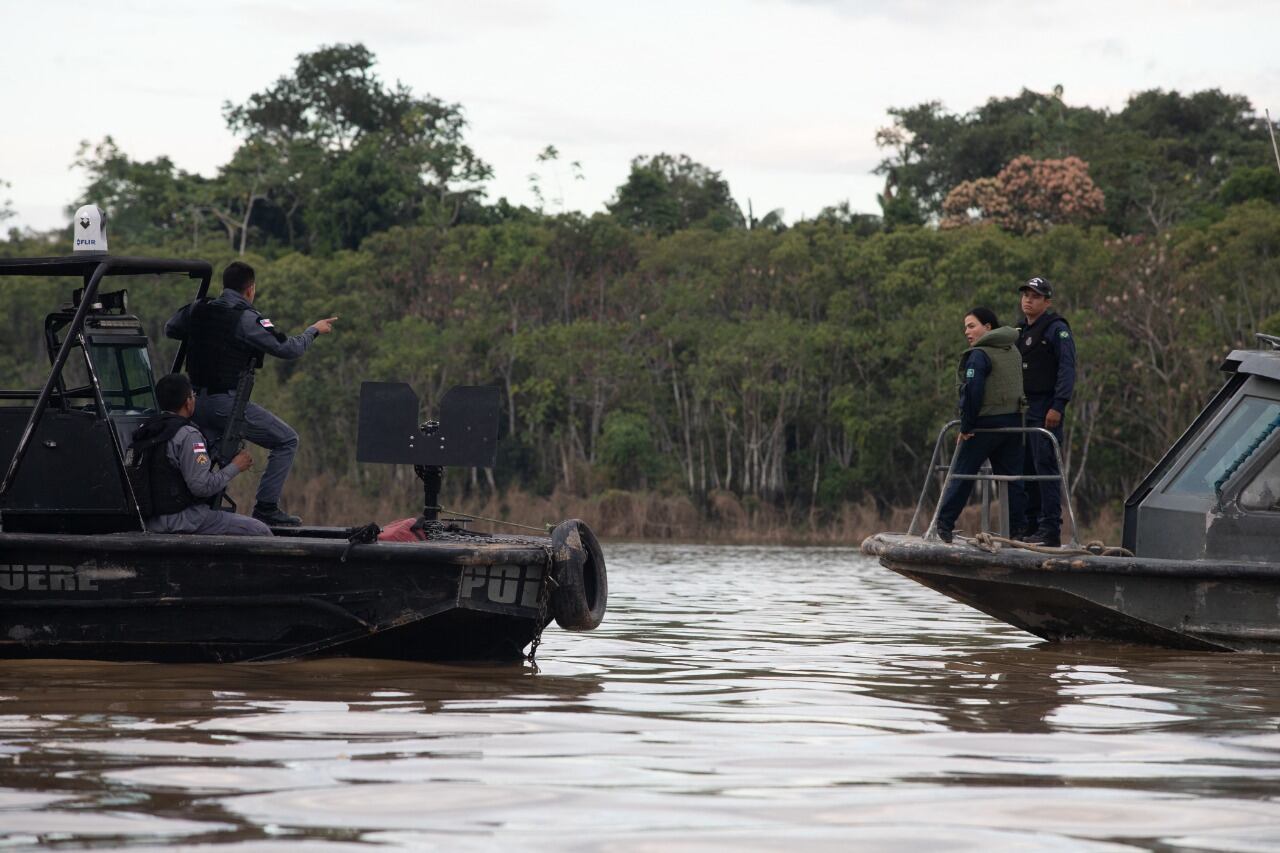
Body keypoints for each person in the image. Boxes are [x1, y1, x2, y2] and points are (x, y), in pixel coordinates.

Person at [165, 261, 336, 526]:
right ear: (250, 289)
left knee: (205, 460)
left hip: (194, 404)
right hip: (226, 405)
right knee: (287, 440)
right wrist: (313, 331)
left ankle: (184, 508)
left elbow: (171, 328)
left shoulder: (198, 308)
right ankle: (266, 508)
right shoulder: (246, 318)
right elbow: (288, 349)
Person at [129, 373, 272, 536]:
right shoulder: (188, 435)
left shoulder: (147, 430)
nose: (194, 399)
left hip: (152, 521)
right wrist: (236, 466)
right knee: (260, 531)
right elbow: (201, 487)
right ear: (188, 402)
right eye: (192, 396)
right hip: (185, 520)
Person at [933, 307, 1028, 544]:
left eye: (971, 325)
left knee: (961, 474)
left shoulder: (979, 355)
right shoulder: (1012, 350)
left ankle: (942, 526)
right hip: (1014, 425)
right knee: (1012, 480)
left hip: (984, 425)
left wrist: (966, 426)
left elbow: (974, 392)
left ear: (988, 327)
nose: (967, 331)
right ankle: (1018, 530)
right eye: (965, 327)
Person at [1014, 276, 1076, 547]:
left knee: (1045, 466)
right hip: (1023, 408)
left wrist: (1058, 405)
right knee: (1025, 467)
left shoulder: (1056, 329)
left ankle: (1050, 528)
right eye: (1026, 294)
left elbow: (1067, 368)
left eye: (1035, 296)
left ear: (1046, 301)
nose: (1028, 299)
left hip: (1046, 406)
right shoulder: (1019, 332)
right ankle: (1030, 526)